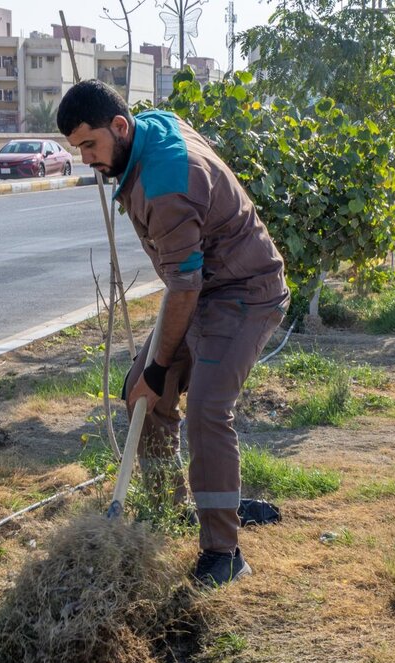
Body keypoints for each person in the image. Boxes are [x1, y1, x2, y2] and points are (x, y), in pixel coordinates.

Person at [57, 80, 289, 587]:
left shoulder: (166, 184)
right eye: (77, 150)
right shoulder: (152, 125)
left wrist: (160, 369)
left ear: (120, 127)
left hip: (245, 291)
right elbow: (188, 282)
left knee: (206, 408)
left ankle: (223, 552)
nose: (86, 159)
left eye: (90, 146)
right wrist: (152, 376)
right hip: (203, 287)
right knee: (141, 393)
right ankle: (173, 509)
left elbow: (184, 286)